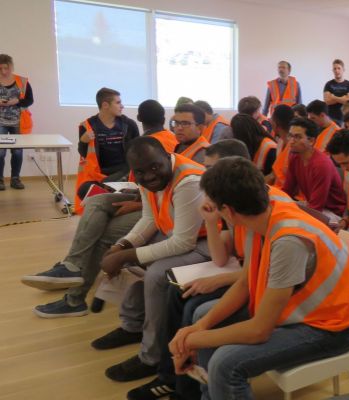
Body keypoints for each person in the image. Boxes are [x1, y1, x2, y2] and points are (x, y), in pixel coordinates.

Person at [169, 156, 349, 400]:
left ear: (228, 211)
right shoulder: (262, 212)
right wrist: (198, 329)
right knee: (202, 316)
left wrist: (191, 341)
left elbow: (259, 331)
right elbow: (245, 282)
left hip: (330, 328)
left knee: (225, 364)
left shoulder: (288, 241)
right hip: (304, 312)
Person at [22, 100, 178, 316]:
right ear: (165, 119)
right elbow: (145, 182)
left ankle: (75, 298)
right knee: (94, 200)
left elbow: (162, 191)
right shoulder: (163, 142)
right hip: (141, 194)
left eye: (184, 123)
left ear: (140, 119)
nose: (178, 127)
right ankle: (72, 266)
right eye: (176, 122)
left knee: (101, 229)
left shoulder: (166, 147)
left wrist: (133, 202)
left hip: (156, 208)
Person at [126, 138, 254, 400]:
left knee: (193, 307)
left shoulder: (256, 209)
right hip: (242, 274)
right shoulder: (230, 205)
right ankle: (171, 374)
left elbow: (262, 273)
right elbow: (221, 258)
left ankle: (180, 385)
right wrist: (212, 220)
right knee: (179, 294)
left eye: (211, 170)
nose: (203, 176)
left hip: (258, 285)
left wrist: (220, 281)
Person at [88, 137, 209, 382]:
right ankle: (132, 326)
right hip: (179, 236)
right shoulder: (146, 178)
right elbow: (150, 218)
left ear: (167, 156)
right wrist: (122, 246)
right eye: (141, 171)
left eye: (155, 167)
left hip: (210, 245)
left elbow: (183, 242)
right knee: (127, 259)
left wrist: (126, 254)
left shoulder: (189, 181)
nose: (149, 175)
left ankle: (151, 357)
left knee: (157, 275)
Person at [74, 87, 141, 214]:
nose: (122, 106)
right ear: (105, 105)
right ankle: (110, 206)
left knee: (105, 185)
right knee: (83, 190)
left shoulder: (129, 124)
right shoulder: (88, 125)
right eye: (118, 103)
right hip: (99, 172)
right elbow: (84, 155)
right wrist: (83, 141)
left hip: (124, 170)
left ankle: (108, 204)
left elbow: (138, 151)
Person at [283, 117, 347, 216]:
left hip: (332, 213)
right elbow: (287, 191)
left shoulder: (321, 164)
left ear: (311, 141)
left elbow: (316, 207)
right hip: (313, 206)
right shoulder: (294, 156)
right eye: (290, 136)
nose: (291, 141)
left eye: (298, 137)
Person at [0, 54, 33, 190]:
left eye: (6, 68)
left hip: (18, 122)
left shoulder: (22, 81)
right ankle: (0, 180)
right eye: (0, 68)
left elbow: (30, 100)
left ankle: (15, 179)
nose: (3, 72)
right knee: (0, 152)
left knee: (18, 151)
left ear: (11, 66)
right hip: (0, 122)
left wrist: (17, 101)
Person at [267, 105, 295, 189]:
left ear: (275, 124)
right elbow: (273, 175)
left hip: (288, 196)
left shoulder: (294, 147)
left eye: (271, 118)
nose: (269, 120)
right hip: (278, 190)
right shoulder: (280, 142)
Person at [323, 59, 349, 125]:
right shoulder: (328, 84)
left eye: (339, 68)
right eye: (335, 69)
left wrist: (333, 97)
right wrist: (343, 98)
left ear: (343, 70)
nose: (337, 71)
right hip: (331, 118)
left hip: (345, 118)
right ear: (333, 70)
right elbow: (327, 101)